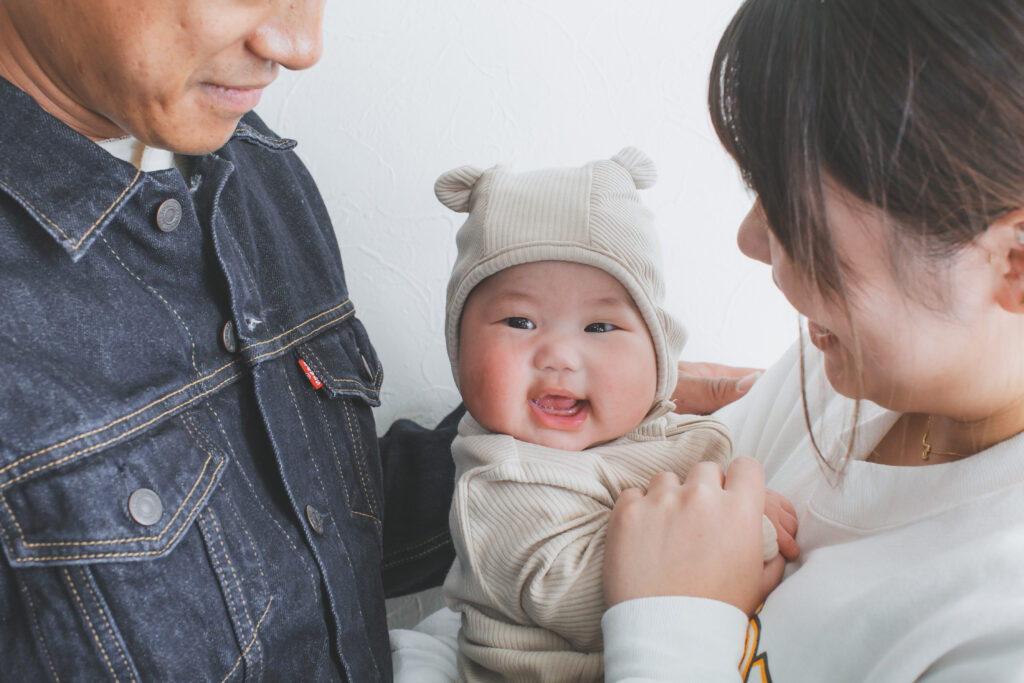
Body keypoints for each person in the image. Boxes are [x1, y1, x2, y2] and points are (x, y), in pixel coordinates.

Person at [0, 1, 753, 680]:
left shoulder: (253, 163)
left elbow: (289, 513)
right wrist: (670, 606)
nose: (299, 43)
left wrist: (565, 444)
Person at [599, 1, 1024, 680]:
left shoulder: (1003, 617)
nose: (749, 238)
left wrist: (669, 618)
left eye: (793, 206)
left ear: (1014, 261)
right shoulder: (827, 380)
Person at [391, 149, 794, 682]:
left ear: (658, 353)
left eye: (600, 328)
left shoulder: (665, 430)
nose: (559, 355)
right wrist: (741, 529)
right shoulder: (502, 481)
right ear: (459, 350)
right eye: (519, 321)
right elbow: (577, 599)